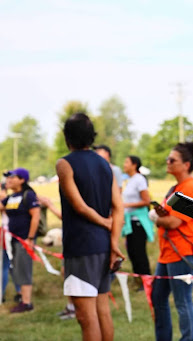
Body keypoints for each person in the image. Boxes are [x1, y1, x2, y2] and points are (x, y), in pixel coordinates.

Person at [57, 113, 124, 341]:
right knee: (102, 310)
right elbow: (119, 207)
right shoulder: (105, 164)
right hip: (103, 245)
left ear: (67, 137)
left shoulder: (64, 164)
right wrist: (114, 242)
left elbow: (79, 206)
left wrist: (103, 221)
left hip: (80, 246)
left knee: (86, 317)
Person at [149, 142, 193, 341]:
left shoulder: (190, 187)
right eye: (168, 159)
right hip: (167, 252)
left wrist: (155, 218)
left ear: (186, 164)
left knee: (182, 301)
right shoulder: (177, 187)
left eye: (172, 160)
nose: (168, 162)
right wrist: (158, 216)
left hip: (181, 252)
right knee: (158, 297)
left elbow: (172, 222)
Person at [0, 168, 40, 313]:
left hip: (24, 239)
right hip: (12, 239)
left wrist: (30, 238)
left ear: (22, 180)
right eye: (7, 178)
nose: (8, 180)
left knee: (24, 269)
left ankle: (27, 303)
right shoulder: (11, 197)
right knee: (16, 269)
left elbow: (36, 216)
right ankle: (22, 298)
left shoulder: (28, 195)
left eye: (12, 177)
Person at [122, 155, 152, 284]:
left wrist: (127, 206)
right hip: (130, 222)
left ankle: (146, 281)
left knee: (139, 252)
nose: (124, 164)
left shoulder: (139, 179)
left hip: (138, 222)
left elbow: (146, 201)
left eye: (127, 162)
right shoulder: (130, 180)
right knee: (132, 252)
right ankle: (138, 280)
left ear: (134, 165)